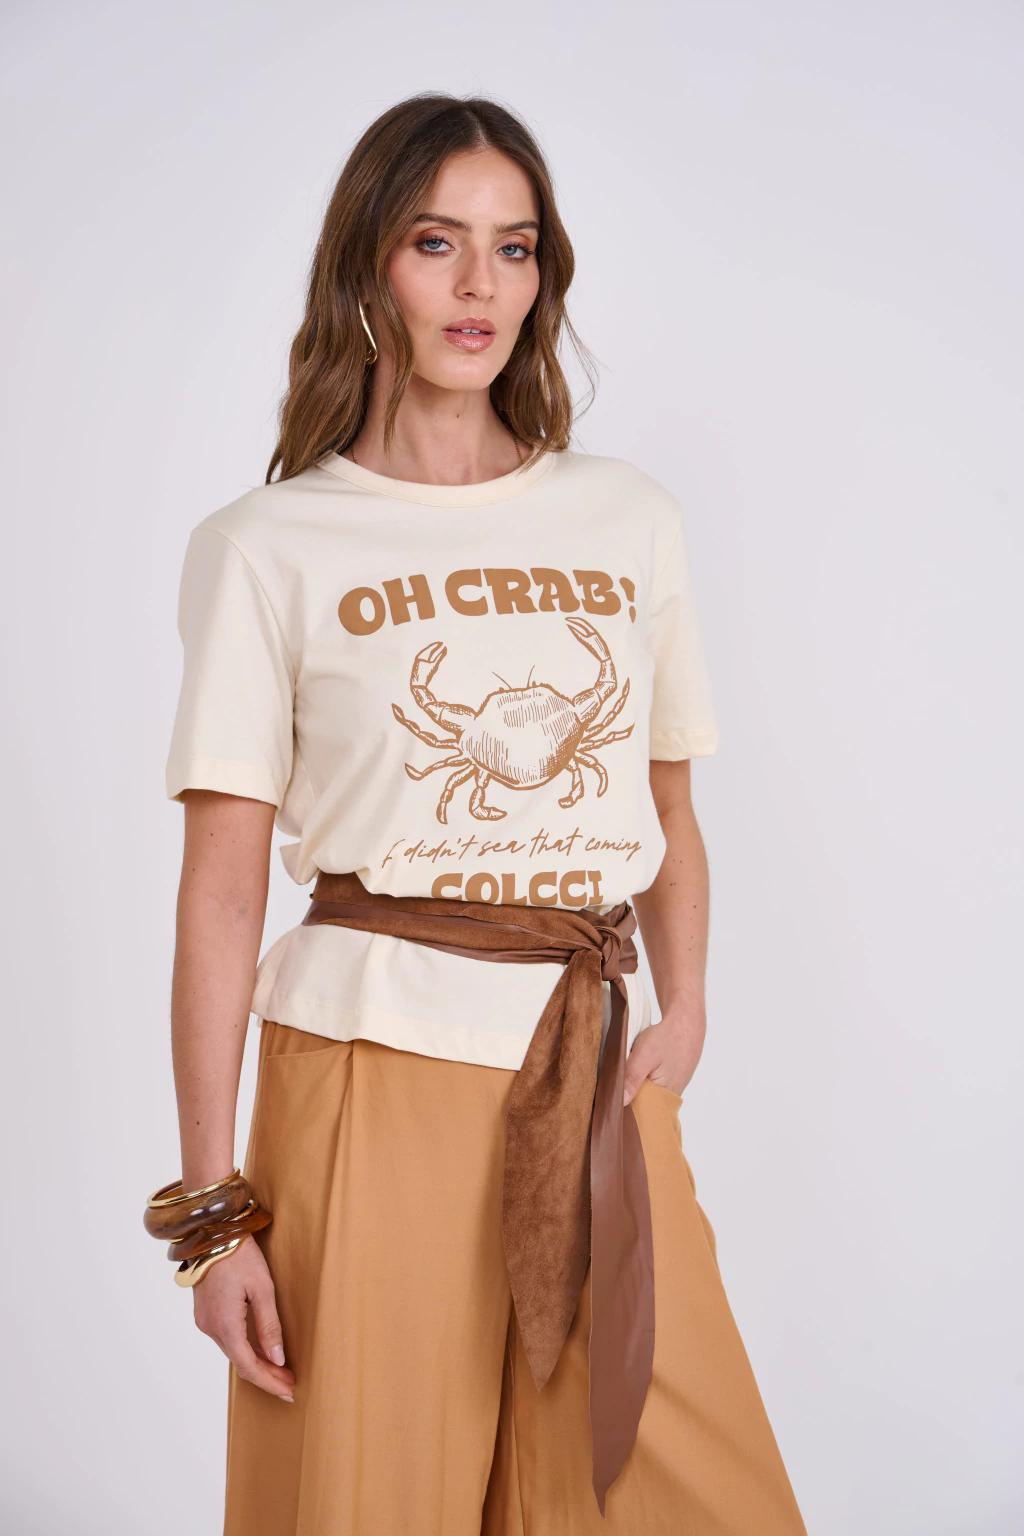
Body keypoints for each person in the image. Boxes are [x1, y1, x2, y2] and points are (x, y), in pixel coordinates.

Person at [157, 93, 807, 1535]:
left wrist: (687, 1007)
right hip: (369, 1065)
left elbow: (667, 795)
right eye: (435, 241)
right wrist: (212, 1216)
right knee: (373, 1498)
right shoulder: (266, 547)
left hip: (590, 1061)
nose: (478, 285)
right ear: (367, 266)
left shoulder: (626, 516)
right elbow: (221, 885)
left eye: (513, 248)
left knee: (687, 1494)